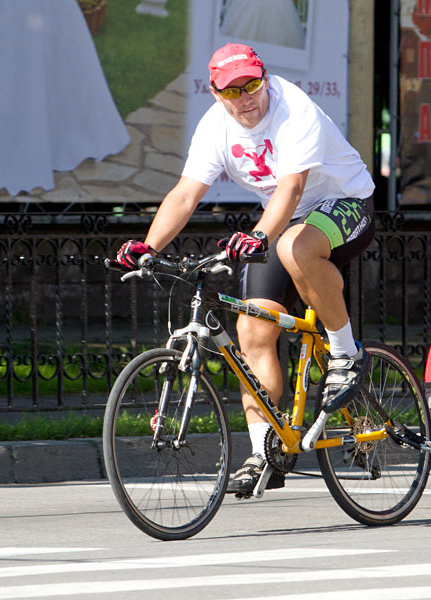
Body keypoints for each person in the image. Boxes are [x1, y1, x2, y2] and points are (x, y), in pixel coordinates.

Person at [114, 43, 376, 495]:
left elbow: (292, 189)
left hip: (346, 203)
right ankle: (265, 453)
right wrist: (147, 245)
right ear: (214, 92)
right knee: (252, 332)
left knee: (294, 245)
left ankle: (346, 354)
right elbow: (184, 194)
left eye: (251, 84)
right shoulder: (215, 128)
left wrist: (258, 235)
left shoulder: (294, 110)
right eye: (231, 90)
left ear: (265, 78)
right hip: (283, 221)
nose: (245, 97)